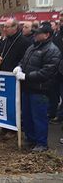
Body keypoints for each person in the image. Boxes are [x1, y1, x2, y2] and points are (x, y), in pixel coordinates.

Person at [13, 22, 61, 152]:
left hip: (40, 90)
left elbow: (46, 72)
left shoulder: (52, 50)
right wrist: (19, 67)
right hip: (28, 88)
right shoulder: (32, 47)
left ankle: (41, 143)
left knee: (39, 118)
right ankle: (31, 139)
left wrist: (26, 76)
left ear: (46, 35)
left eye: (38, 34)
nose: (35, 36)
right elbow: (24, 60)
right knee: (27, 116)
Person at [0, 19, 31, 138]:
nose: (4, 29)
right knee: (3, 103)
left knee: (14, 105)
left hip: (15, 77)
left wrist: (19, 68)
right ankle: (4, 127)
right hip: (3, 76)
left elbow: (26, 59)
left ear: (15, 27)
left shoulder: (24, 42)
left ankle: (13, 129)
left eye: (7, 27)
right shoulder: (5, 40)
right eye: (4, 26)